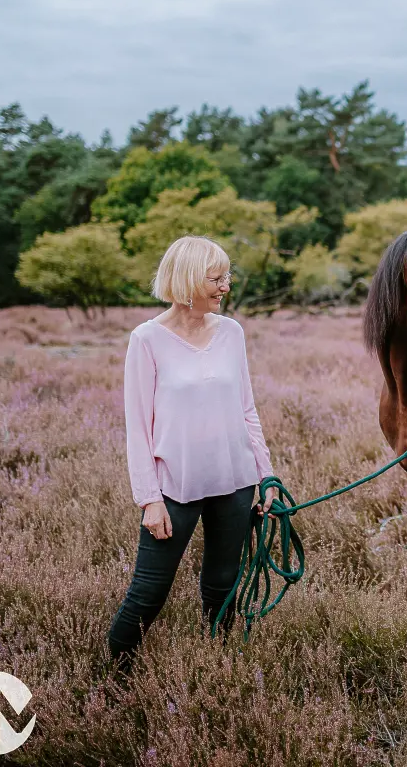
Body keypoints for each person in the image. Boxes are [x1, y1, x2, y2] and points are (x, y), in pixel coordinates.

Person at [107, 235, 276, 676]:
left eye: (227, 277)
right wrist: (149, 498)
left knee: (223, 588)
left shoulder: (232, 332)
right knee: (148, 593)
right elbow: (137, 429)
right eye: (217, 278)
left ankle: (217, 671)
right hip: (174, 490)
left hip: (236, 484)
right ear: (187, 279)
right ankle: (113, 680)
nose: (226, 286)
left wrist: (267, 477)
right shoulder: (146, 340)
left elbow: (247, 409)